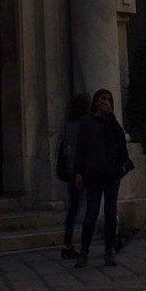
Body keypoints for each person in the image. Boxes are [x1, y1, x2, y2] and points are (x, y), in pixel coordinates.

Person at [72, 88, 129, 268]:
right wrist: (78, 171)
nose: (106, 102)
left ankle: (108, 251)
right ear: (96, 102)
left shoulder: (111, 122)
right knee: (91, 213)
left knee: (111, 213)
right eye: (103, 99)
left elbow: (121, 140)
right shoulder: (86, 122)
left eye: (109, 100)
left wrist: (111, 117)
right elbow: (80, 147)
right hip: (93, 173)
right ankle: (84, 251)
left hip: (112, 174)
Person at [57, 92, 91, 260]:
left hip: (71, 170)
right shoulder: (86, 122)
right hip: (84, 170)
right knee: (91, 207)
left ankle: (67, 243)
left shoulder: (67, 123)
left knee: (73, 209)